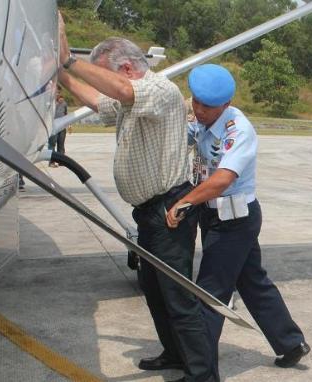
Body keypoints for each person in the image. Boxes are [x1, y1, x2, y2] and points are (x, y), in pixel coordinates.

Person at [56, 18, 216, 382]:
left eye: (103, 75)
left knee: (178, 297)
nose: (103, 84)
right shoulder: (128, 98)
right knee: (156, 291)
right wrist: (63, 78)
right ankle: (175, 354)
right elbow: (101, 101)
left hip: (168, 211)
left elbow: (124, 94)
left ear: (125, 69)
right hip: (148, 213)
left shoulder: (159, 90)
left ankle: (203, 375)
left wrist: (69, 62)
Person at [165, 64, 310, 380]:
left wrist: (184, 202)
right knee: (253, 282)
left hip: (234, 222)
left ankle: (200, 373)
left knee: (209, 294)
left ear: (225, 105)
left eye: (207, 106)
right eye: (196, 102)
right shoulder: (204, 120)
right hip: (216, 216)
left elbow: (221, 180)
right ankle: (291, 342)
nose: (199, 110)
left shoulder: (238, 131)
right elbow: (183, 133)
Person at [49, 90, 68, 167]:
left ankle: (61, 161)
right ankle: (51, 162)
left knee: (61, 144)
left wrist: (68, 124)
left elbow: (66, 113)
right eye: (56, 92)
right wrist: (56, 103)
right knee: (52, 144)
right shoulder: (50, 102)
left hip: (62, 127)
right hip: (53, 127)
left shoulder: (64, 103)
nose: (57, 94)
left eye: (59, 92)